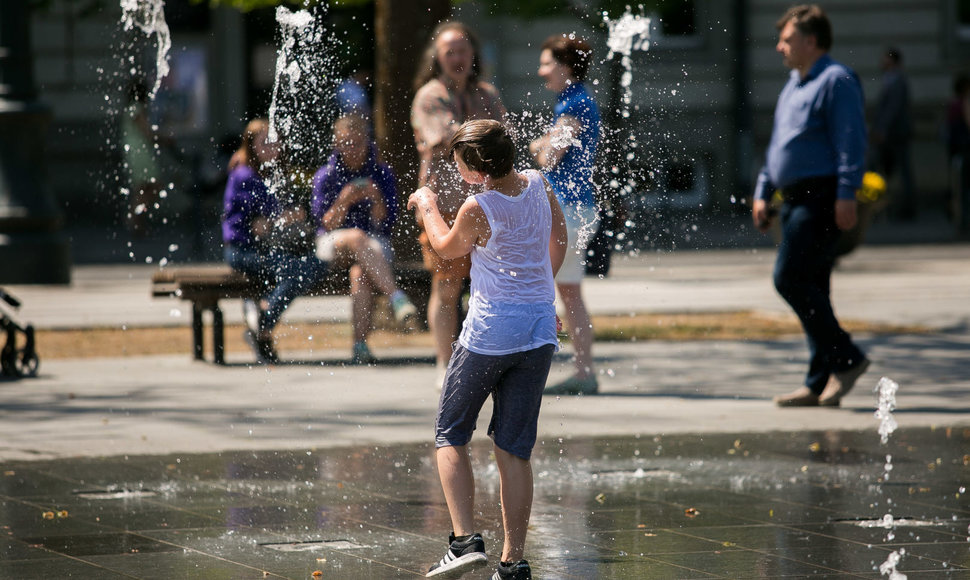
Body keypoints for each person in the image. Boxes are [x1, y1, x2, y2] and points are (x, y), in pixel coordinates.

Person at [408, 120, 567, 580]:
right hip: (538, 330)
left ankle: (463, 543)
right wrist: (540, 293)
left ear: (476, 166)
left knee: (450, 431)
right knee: (514, 449)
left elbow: (444, 247)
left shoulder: (479, 206)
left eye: (459, 164)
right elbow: (557, 242)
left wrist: (428, 204)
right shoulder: (539, 185)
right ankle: (513, 564)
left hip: (490, 333)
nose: (457, 171)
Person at [752, 4, 870, 407]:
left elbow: (850, 140)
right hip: (794, 199)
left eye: (787, 39)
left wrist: (846, 193)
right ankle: (820, 381)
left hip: (822, 197)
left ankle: (848, 358)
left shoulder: (836, 81)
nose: (780, 47)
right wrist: (763, 191)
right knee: (814, 284)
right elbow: (779, 146)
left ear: (811, 40)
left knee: (789, 278)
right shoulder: (793, 84)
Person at [411, 21, 508, 386]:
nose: (457, 57)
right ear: (436, 56)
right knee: (448, 286)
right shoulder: (429, 96)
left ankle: (488, 358)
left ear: (474, 54)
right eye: (449, 50)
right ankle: (444, 364)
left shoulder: (488, 93)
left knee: (490, 285)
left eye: (463, 49)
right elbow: (452, 136)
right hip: (445, 207)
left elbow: (504, 140)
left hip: (488, 206)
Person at [310, 114, 418, 364]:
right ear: (337, 144)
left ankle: (360, 345)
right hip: (333, 245)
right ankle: (396, 297)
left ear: (367, 143)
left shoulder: (381, 172)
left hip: (373, 247)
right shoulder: (326, 175)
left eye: (358, 143)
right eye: (346, 143)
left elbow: (386, 224)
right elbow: (325, 225)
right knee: (357, 237)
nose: (353, 149)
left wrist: (377, 198)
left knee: (360, 275)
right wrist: (343, 201)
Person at [222, 118, 330, 364]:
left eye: (276, 141)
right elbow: (260, 225)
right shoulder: (244, 175)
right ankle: (263, 324)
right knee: (297, 271)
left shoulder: (272, 172)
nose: (273, 146)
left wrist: (287, 217)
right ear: (252, 147)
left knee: (317, 265)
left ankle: (262, 321)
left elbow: (278, 218)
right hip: (243, 250)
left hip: (269, 249)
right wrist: (285, 217)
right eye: (265, 142)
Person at [529, 33, 601, 396]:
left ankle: (530, 365)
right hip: (578, 209)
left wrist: (541, 144)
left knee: (538, 287)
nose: (542, 71)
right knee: (569, 292)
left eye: (547, 63)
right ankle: (584, 371)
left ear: (567, 66)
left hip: (566, 213)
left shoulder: (571, 105)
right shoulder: (578, 101)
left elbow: (548, 158)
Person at [873, 47, 915, 220]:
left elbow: (892, 109)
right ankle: (891, 208)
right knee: (894, 171)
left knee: (902, 171)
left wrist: (881, 129)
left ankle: (906, 208)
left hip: (895, 134)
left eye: (885, 59)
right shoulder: (891, 79)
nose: (882, 63)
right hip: (893, 134)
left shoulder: (897, 80)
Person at [121, 81, 161, 237]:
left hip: (135, 150)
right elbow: (148, 133)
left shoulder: (131, 108)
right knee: (152, 185)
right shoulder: (136, 109)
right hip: (139, 152)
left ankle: (137, 222)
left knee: (143, 187)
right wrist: (165, 138)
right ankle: (134, 219)